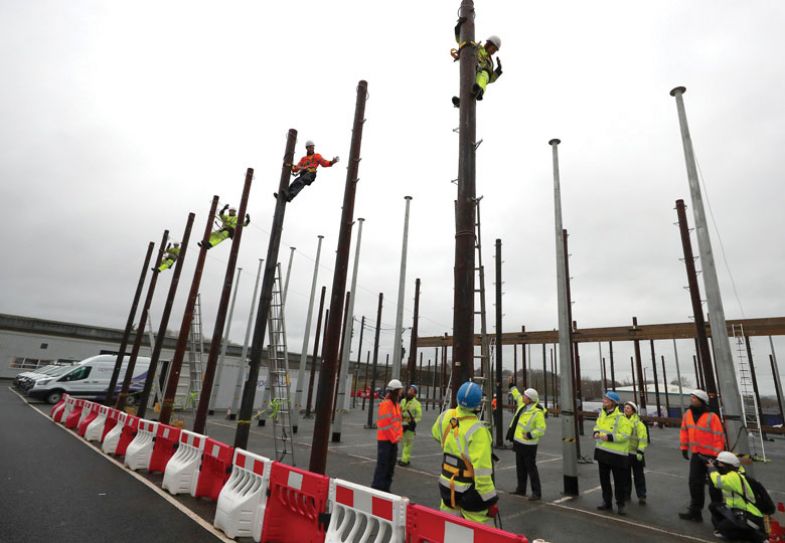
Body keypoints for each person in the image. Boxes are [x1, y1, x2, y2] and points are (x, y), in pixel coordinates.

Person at [432, 381, 498, 525]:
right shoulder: (478, 431)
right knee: (481, 534)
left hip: (447, 486)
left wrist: (452, 447)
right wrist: (490, 500)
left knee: (449, 529)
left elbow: (436, 434)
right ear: (478, 404)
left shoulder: (446, 416)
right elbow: (483, 472)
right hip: (469, 492)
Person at [678, 389, 725, 522]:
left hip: (712, 457)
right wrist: (684, 447)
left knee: (714, 487)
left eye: (694, 398)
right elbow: (684, 431)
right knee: (694, 483)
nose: (691, 399)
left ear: (701, 401)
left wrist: (717, 456)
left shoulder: (712, 416)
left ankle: (718, 515)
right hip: (697, 455)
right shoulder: (688, 414)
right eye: (691, 397)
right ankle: (695, 512)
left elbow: (719, 436)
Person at [707, 451, 768, 542]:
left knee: (724, 527)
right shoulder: (735, 472)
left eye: (719, 463)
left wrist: (712, 469)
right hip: (739, 509)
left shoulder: (734, 477)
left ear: (726, 465)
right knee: (714, 506)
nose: (718, 465)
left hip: (751, 515)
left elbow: (717, 481)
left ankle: (757, 538)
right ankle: (733, 531)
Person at [593, 391, 632, 515]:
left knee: (619, 481)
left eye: (606, 399)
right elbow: (597, 427)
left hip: (617, 455)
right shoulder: (601, 414)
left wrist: (609, 437)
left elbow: (625, 435)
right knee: (604, 480)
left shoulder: (621, 417)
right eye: (604, 398)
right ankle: (607, 502)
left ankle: (621, 505)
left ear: (613, 403)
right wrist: (595, 432)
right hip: (602, 452)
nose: (604, 401)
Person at [507, 379, 547, 501]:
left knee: (531, 468)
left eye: (525, 396)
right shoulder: (523, 405)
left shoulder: (537, 412)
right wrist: (512, 386)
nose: (523, 397)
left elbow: (541, 429)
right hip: (519, 442)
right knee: (520, 467)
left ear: (530, 399)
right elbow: (516, 395)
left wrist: (530, 435)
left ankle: (536, 492)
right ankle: (521, 489)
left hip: (529, 444)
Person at [451, 17, 502, 107]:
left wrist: (498, 71)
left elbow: (489, 79)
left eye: (495, 51)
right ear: (488, 44)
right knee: (466, 80)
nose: (493, 52)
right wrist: (459, 28)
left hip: (480, 74)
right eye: (493, 48)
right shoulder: (477, 48)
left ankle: (479, 91)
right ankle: (462, 100)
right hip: (471, 67)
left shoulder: (490, 63)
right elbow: (463, 42)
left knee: (484, 74)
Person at [371, 379, 403, 492]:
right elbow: (385, 426)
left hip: (392, 441)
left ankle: (385, 488)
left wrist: (398, 436)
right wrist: (395, 437)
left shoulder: (396, 405)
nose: (401, 392)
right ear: (395, 391)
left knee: (390, 466)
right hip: (386, 441)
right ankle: (378, 488)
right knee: (383, 466)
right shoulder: (386, 405)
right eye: (400, 390)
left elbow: (398, 422)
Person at [623, 401, 649, 505]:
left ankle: (641, 495)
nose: (625, 409)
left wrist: (640, 451)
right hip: (625, 453)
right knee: (625, 476)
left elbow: (643, 439)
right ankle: (626, 495)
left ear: (633, 411)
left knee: (639, 476)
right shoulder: (621, 421)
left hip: (636, 454)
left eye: (628, 408)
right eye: (625, 408)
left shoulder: (639, 424)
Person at [398, 384, 422, 467]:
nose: (409, 391)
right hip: (402, 424)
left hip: (410, 425)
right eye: (409, 389)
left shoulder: (417, 404)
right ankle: (405, 458)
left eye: (412, 390)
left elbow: (419, 416)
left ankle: (404, 460)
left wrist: (413, 422)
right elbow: (399, 411)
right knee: (403, 443)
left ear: (415, 394)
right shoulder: (403, 401)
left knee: (408, 443)